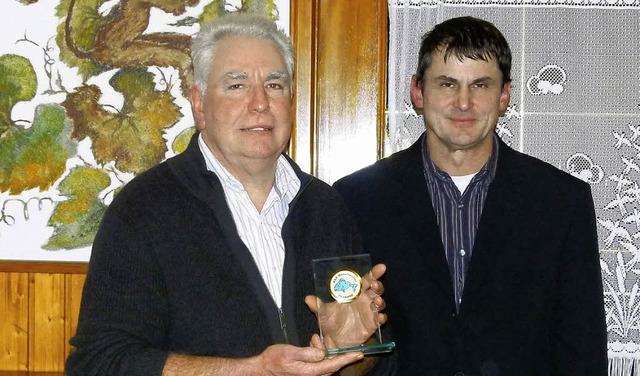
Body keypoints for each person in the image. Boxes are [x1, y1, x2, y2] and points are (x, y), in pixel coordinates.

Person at [66, 12, 391, 376]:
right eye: (236, 86)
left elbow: (366, 367)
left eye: (274, 85)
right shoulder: (143, 209)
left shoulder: (327, 207)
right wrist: (253, 370)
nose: (259, 103)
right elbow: (99, 364)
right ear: (200, 105)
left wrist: (352, 347)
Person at [334, 16, 607, 375]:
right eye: (447, 84)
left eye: (480, 85)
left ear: (504, 95)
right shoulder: (356, 198)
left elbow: (582, 349)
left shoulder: (561, 201)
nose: (463, 103)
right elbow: (350, 347)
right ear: (418, 92)